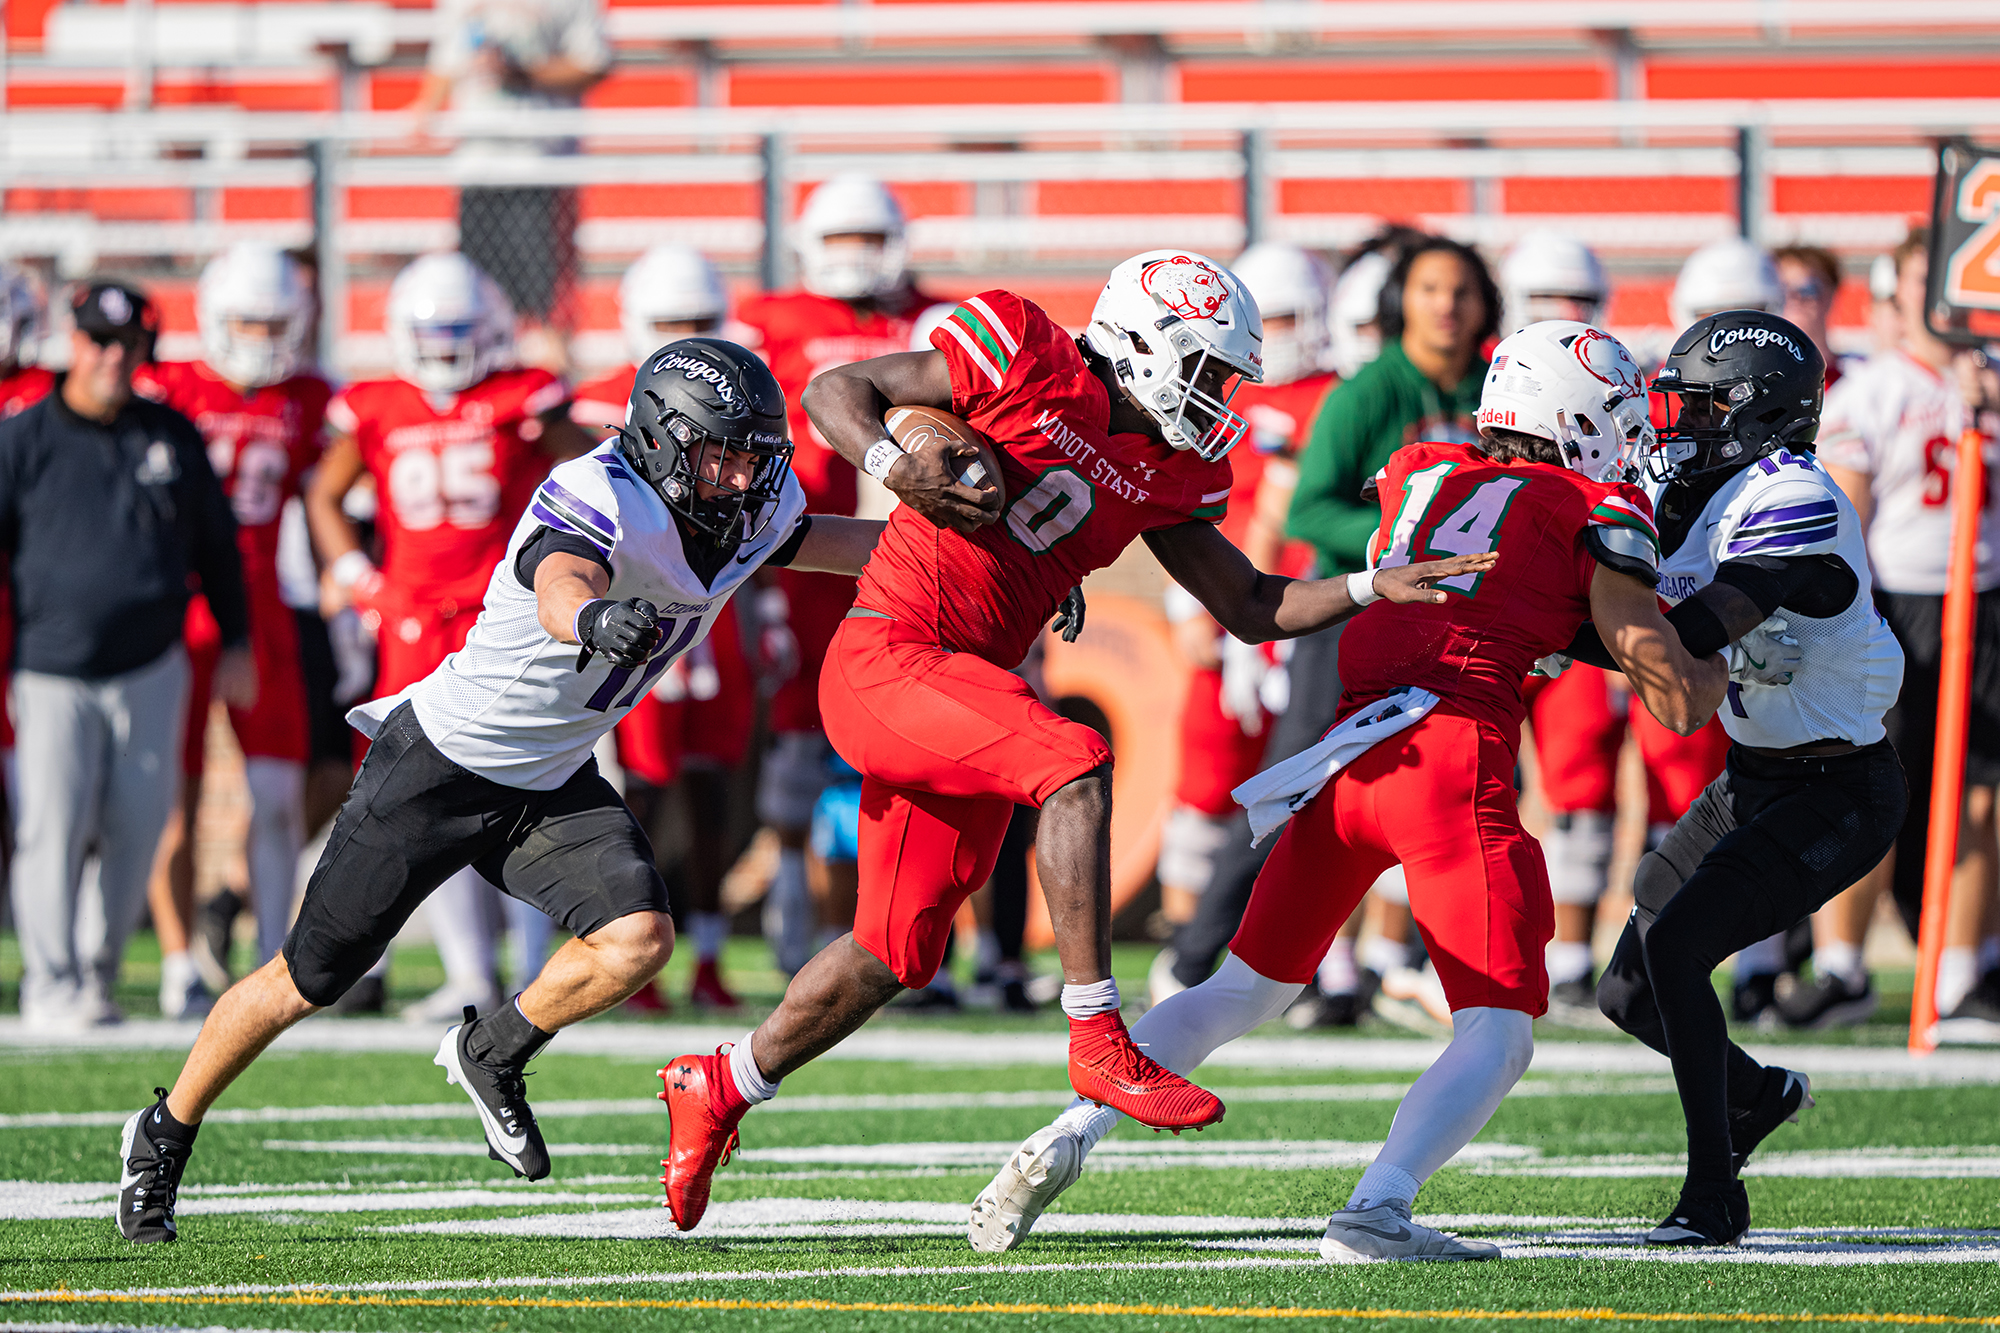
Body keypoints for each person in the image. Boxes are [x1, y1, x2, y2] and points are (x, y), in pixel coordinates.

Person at [654, 250, 1496, 1234]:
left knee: (895, 949)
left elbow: (1250, 602)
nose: (1220, 399)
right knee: (1074, 760)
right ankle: (1097, 1030)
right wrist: (892, 464)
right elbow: (840, 389)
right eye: (1209, 371)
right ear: (1144, 345)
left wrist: (1365, 583)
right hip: (889, 657)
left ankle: (720, 1083)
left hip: (969, 682)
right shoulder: (1024, 353)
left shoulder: (1172, 464)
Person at [969, 319, 1729, 1261]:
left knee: (1241, 989)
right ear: (1576, 418)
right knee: (1499, 1033)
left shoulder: (1424, 469)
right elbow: (1675, 695)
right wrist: (1730, 641)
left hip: (1352, 748)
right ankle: (1376, 1208)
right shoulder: (1593, 506)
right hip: (1453, 761)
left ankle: (1066, 1135)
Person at [115, 337, 890, 1245]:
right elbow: (563, 576)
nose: (740, 478)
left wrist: (994, 569)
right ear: (662, 439)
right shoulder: (599, 491)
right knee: (304, 979)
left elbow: (837, 543)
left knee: (638, 940)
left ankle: (493, 1050)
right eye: (721, 453)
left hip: (552, 776)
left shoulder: (746, 508)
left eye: (754, 458)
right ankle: (162, 1132)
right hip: (440, 764)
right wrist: (596, 618)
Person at [1593, 309, 1908, 1246]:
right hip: (1753, 773)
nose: (1676, 426)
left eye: (1700, 406)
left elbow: (1691, 635)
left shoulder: (1795, 494)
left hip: (1840, 787)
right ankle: (1755, 1094)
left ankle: (1712, 1195)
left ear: (1760, 412)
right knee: (1629, 990)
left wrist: (1553, 631)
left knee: (1681, 945)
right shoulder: (1696, 489)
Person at [1160, 234, 1499, 1002]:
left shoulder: (1496, 390)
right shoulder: (1364, 392)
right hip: (1352, 619)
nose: (1447, 306)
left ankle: (1395, 962)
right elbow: (1311, 510)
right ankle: (1190, 958)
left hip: (1455, 626)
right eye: (1429, 289)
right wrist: (1411, 543)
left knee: (1451, 793)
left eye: (1463, 290)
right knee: (1294, 788)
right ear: (1397, 305)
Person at [307, 252, 594, 1023]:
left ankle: (530, 969)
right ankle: (470, 973)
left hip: (503, 613)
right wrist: (355, 574)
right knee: (431, 792)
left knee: (525, 778)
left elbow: (594, 474)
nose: (442, 350)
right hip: (410, 621)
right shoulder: (376, 405)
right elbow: (325, 492)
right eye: (430, 334)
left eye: (459, 333)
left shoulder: (521, 396)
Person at [1, 281, 251, 1030]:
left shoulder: (171, 435)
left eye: (128, 345)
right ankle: (50, 979)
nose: (112, 357)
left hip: (152, 664)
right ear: (72, 343)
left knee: (139, 823)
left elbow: (218, 546)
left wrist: (236, 638)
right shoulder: (24, 438)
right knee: (51, 825)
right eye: (98, 342)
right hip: (51, 669)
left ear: (145, 351)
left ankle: (99, 971)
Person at [735, 175, 942, 977]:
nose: (856, 258)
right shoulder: (773, 320)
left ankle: (910, 935)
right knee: (795, 741)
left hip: (907, 552)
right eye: (841, 239)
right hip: (800, 555)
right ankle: (797, 928)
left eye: (869, 238)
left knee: (903, 744)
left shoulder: (920, 315)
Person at [1806, 229, 2000, 1027]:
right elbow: (1846, 518)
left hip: (1984, 598)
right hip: (1893, 600)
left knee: (1983, 791)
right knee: (1867, 781)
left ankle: (1962, 967)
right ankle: (1842, 964)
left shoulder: (1991, 382)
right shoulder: (1873, 390)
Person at [134, 242, 331, 1021]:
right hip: (176, 604)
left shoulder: (312, 397)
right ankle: (179, 959)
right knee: (171, 798)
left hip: (262, 607)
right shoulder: (170, 386)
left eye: (275, 322)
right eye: (247, 320)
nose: (260, 336)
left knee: (278, 792)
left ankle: (267, 959)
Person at [573, 244, 756, 1010]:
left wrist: (768, 612)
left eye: (698, 320)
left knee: (713, 789)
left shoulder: (740, 400)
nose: (686, 334)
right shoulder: (594, 406)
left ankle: (709, 959)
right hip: (641, 616)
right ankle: (631, 951)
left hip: (714, 612)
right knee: (639, 788)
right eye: (670, 320)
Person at [1153, 242, 1332, 995]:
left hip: (1306, 607)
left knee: (1310, 787)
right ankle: (1181, 948)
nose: (1281, 333)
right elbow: (1164, 496)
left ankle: (1313, 962)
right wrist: (1185, 603)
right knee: (1206, 776)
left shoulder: (1337, 394)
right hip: (1220, 599)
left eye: (1293, 315)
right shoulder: (1200, 385)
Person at [409, 0, 611, 348]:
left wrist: (520, 72)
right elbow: (447, 58)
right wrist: (424, 110)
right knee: (477, 296)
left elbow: (592, 64)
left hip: (540, 168)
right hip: (478, 168)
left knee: (547, 306)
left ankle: (551, 390)